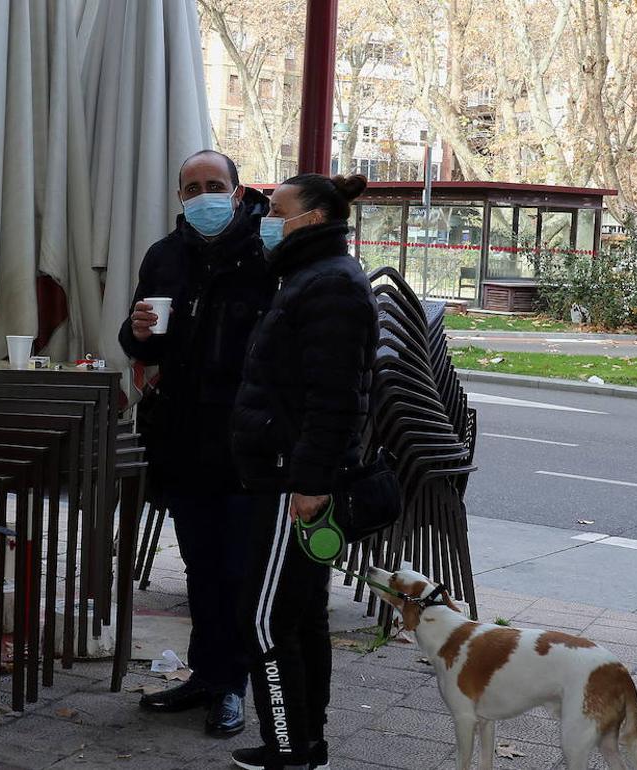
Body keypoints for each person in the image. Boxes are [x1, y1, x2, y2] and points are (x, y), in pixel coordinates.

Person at [119, 150, 275, 736]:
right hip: (181, 435)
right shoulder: (165, 255)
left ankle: (232, 685)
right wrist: (134, 333)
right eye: (191, 189)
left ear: (236, 192)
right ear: (179, 198)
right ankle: (205, 675)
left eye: (214, 185)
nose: (203, 196)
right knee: (200, 565)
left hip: (243, 439)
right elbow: (144, 343)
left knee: (236, 569)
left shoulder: (265, 253)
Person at [230, 173, 377, 770]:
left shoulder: (329, 286)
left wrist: (310, 482)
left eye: (277, 208)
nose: (267, 215)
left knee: (264, 621)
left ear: (312, 218)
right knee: (300, 614)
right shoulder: (314, 277)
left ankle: (287, 745)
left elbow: (334, 397)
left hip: (293, 481)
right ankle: (304, 743)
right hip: (294, 475)